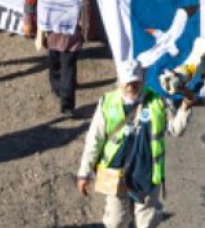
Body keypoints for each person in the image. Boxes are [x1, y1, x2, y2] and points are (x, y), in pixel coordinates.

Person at [77, 66, 187, 228]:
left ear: (142, 80)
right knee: (116, 222)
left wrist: (186, 106)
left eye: (135, 81)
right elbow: (95, 139)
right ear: (119, 82)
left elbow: (176, 130)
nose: (131, 86)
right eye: (127, 82)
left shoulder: (159, 101)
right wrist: (84, 173)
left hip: (147, 175)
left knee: (146, 223)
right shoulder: (107, 102)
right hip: (115, 174)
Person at [22, 0, 92, 114]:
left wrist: (87, 26)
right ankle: (56, 85)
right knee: (54, 61)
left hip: (72, 29)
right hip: (50, 30)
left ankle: (67, 104)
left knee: (68, 64)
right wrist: (28, 20)